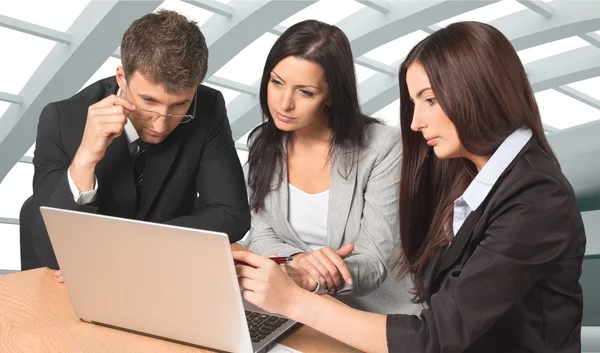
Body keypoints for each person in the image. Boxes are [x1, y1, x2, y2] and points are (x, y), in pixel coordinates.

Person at [234, 21, 585, 353]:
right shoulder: (471, 178)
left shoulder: (537, 199)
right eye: (415, 103)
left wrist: (295, 300)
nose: (416, 122)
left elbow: (435, 336)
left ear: (476, 92)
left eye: (429, 100)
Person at [31, 10, 250, 279]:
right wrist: (85, 158)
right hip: (85, 286)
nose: (160, 125)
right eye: (149, 101)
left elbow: (232, 214)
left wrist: (130, 252)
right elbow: (50, 253)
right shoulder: (61, 120)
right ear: (121, 78)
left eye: (180, 105)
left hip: (164, 275)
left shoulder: (208, 107)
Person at [244, 19, 420, 315]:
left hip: (369, 312)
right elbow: (261, 236)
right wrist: (298, 259)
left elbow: (373, 261)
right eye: (276, 82)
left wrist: (311, 278)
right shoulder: (263, 142)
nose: (284, 103)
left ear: (332, 95)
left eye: (305, 92)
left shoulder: (382, 147)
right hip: (289, 305)